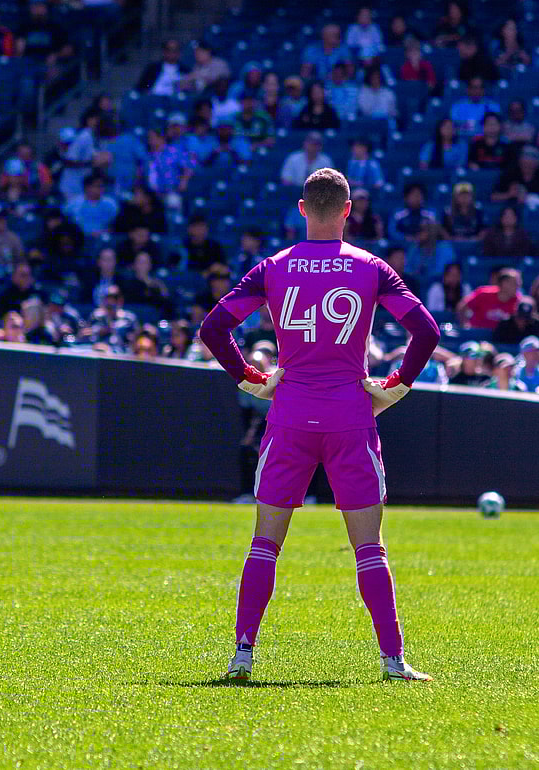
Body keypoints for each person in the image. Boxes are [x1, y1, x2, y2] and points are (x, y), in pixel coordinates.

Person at [198, 167, 440, 682]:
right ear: (349, 210)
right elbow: (426, 330)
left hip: (289, 416)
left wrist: (250, 378)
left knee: (265, 542)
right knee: (369, 548)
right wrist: (396, 384)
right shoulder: (372, 268)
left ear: (303, 208)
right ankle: (393, 659)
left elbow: (214, 327)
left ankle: (243, 653)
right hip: (351, 416)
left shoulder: (273, 267)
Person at [457, 268, 521, 329]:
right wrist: (465, 324)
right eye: (514, 283)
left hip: (500, 337)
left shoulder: (518, 301)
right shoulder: (484, 293)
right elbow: (462, 307)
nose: (518, 286)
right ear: (504, 283)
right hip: (477, 335)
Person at [64, 173, 119, 237]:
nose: (101, 189)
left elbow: (114, 225)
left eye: (102, 186)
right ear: (87, 188)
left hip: (103, 237)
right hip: (79, 237)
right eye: (98, 186)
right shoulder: (73, 203)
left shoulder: (110, 204)